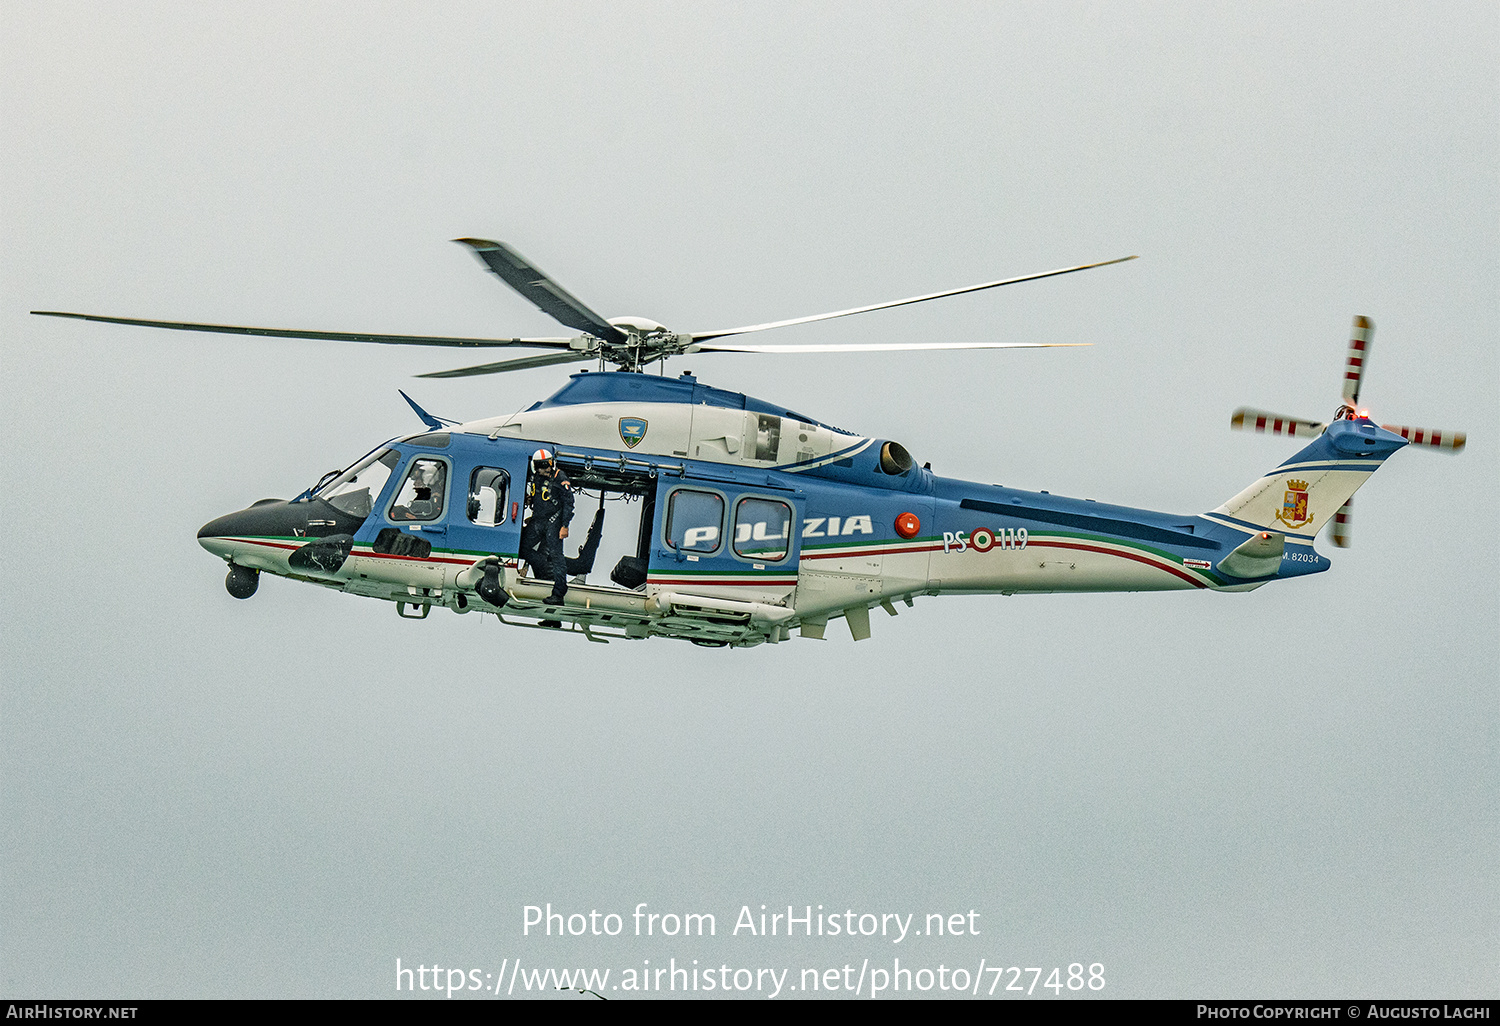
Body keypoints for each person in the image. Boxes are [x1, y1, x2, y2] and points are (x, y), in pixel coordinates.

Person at [524, 449, 574, 605]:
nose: (544, 469)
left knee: (557, 557)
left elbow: (568, 503)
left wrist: (565, 525)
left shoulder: (561, 478)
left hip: (554, 522)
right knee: (522, 547)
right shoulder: (536, 478)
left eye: (547, 465)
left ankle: (559, 593)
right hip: (538, 520)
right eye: (541, 466)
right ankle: (541, 563)